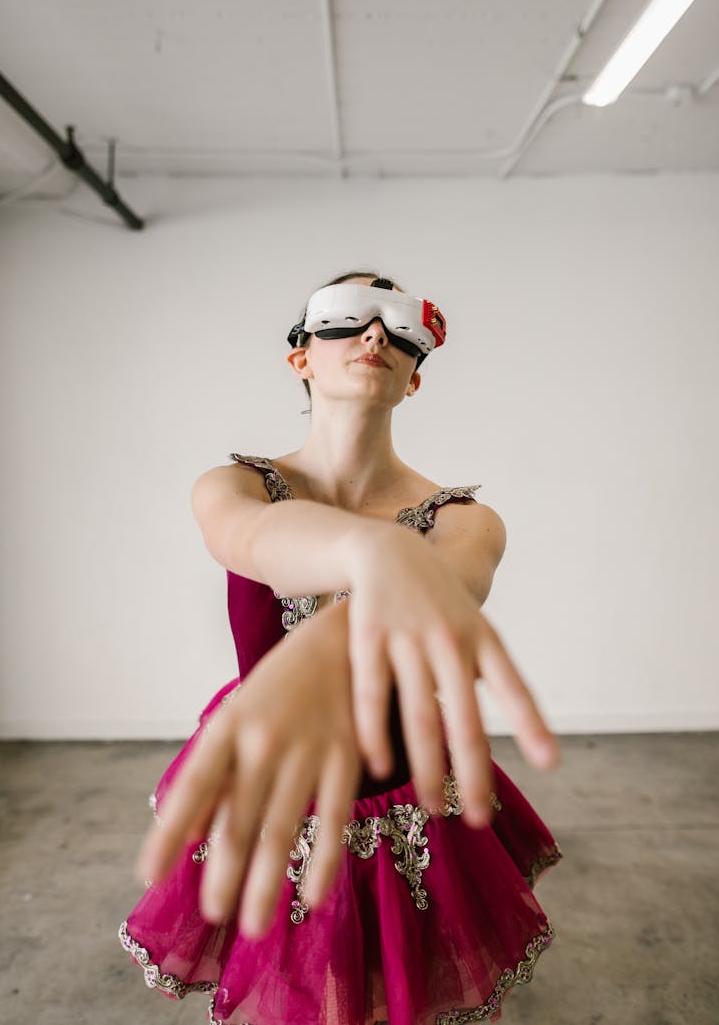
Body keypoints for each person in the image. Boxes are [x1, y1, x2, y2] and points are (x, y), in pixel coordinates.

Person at [118, 272, 563, 1025]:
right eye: (347, 320)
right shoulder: (235, 486)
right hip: (273, 776)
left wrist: (344, 626)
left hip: (401, 785)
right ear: (301, 359)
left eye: (399, 327)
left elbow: (452, 579)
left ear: (415, 376)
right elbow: (254, 539)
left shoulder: (466, 520)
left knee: (395, 981)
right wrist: (376, 556)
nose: (375, 336)